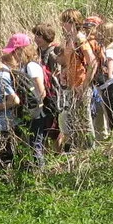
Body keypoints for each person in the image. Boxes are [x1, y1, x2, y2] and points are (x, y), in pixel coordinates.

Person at [5, 33, 48, 169]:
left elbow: (41, 91)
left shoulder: (31, 67)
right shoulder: (24, 66)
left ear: (20, 50)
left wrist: (34, 110)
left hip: (36, 113)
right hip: (31, 112)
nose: (13, 55)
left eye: (14, 52)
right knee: (32, 144)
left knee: (36, 145)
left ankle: (40, 175)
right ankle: (34, 173)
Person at [59, 9, 98, 150]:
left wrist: (84, 85)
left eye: (65, 22)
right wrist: (64, 72)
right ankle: (79, 150)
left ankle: (91, 151)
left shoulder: (80, 39)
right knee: (73, 121)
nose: (62, 25)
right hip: (71, 87)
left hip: (80, 87)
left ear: (72, 22)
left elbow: (93, 62)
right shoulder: (69, 39)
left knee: (85, 121)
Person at [32, 22, 64, 152]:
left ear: (47, 36)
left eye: (39, 35)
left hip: (53, 94)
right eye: (35, 35)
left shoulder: (54, 51)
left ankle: (58, 152)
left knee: (54, 126)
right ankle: (47, 153)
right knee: (45, 126)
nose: (36, 38)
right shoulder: (37, 52)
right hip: (42, 93)